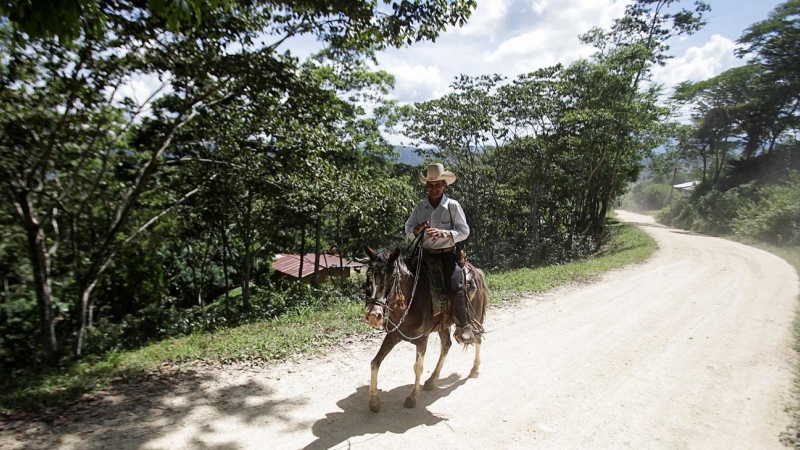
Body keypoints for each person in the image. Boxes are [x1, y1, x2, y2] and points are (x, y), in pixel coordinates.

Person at [405, 163, 474, 342]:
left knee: (454, 287)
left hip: (446, 255)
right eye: (430, 185)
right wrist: (417, 230)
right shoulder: (421, 207)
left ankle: (463, 325)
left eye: (438, 185)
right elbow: (408, 228)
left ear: (444, 186)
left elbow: (464, 231)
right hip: (424, 254)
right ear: (426, 186)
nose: (434, 188)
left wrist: (445, 233)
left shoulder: (453, 206)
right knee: (401, 279)